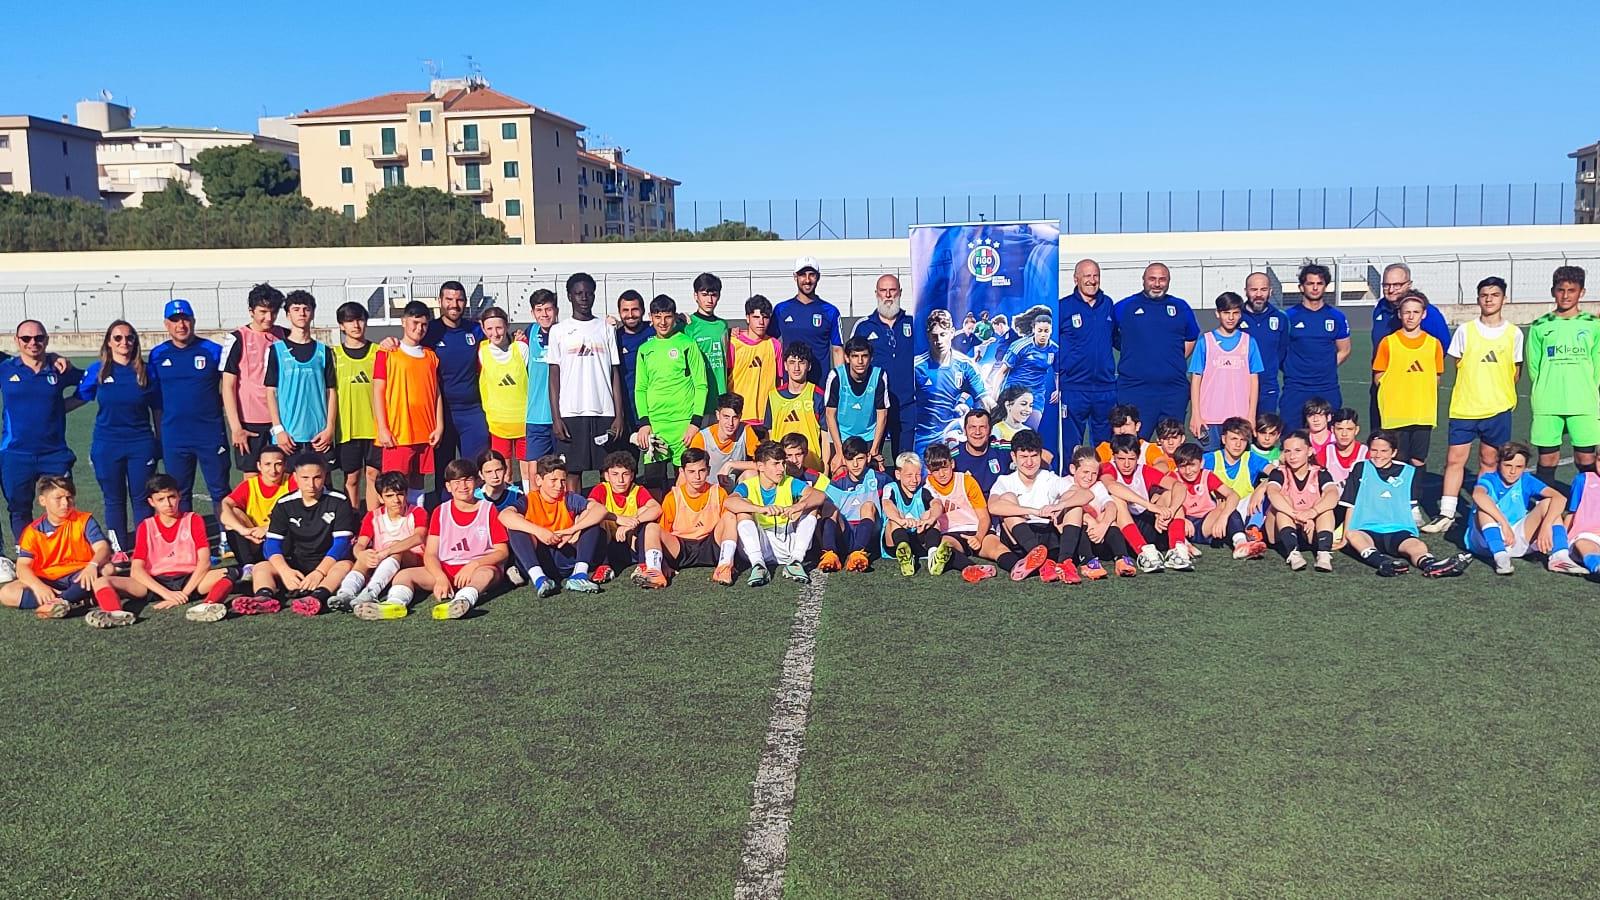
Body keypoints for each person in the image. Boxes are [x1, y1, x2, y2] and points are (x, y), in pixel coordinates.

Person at [1425, 276, 1524, 534]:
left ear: (1504, 298)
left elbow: (1516, 371)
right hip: (1465, 407)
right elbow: (1452, 363)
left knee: (1489, 461)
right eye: (1484, 295)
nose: (1489, 299)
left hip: (1498, 409)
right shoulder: (1465, 331)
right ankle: (1446, 512)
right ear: (1478, 298)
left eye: (1494, 295)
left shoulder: (1514, 333)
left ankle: (1483, 511)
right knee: (1454, 459)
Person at [366, 457, 508, 621]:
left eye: (467, 480)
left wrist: (474, 564)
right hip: (447, 568)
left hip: (478, 567)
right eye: (456, 481)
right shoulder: (440, 512)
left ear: (476, 481)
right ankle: (395, 604)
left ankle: (463, 600)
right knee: (404, 576)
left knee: (486, 573)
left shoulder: (488, 509)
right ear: (448, 486)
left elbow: (502, 552)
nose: (462, 486)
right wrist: (440, 577)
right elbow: (431, 553)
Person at [0, 475, 129, 628]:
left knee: (107, 569)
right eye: (58, 498)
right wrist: (38, 586)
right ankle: (78, 599)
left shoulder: (84, 520)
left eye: (69, 497)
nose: (65, 503)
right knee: (7, 593)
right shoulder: (33, 531)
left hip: (81, 574)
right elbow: (22, 566)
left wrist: (92, 565)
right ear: (43, 501)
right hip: (48, 578)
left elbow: (102, 547)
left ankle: (61, 602)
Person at [0, 321, 84, 551]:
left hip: (54, 453)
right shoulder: (6, 368)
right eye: (26, 339)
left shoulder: (59, 369)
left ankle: (65, 551)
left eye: (38, 338)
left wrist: (65, 405)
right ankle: (26, 553)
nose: (32, 343)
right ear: (17, 341)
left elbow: (89, 382)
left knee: (62, 503)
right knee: (19, 507)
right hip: (16, 453)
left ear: (46, 339)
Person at [78, 320, 158, 558]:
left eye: (129, 337)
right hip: (107, 445)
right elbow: (80, 396)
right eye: (118, 338)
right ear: (109, 342)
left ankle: (145, 549)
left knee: (142, 498)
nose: (124, 342)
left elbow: (158, 409)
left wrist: (159, 441)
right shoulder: (98, 370)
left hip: (140, 443)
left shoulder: (147, 370)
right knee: (113, 498)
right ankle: (119, 548)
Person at [1339, 431, 1471, 577]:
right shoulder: (1360, 468)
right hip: (1366, 530)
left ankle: (1431, 565)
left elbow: (1412, 507)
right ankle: (1384, 563)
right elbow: (1350, 504)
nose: (1378, 455)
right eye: (1374, 450)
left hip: (1398, 530)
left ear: (1394, 452)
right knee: (1355, 537)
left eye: (1384, 451)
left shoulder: (1409, 472)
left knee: (1417, 546)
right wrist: (1346, 537)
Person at [108, 474, 236, 622]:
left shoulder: (193, 520)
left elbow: (204, 562)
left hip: (191, 580)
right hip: (155, 583)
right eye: (161, 499)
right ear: (151, 502)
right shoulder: (146, 526)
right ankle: (113, 614)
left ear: (179, 496)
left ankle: (208, 606)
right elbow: (136, 570)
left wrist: (183, 594)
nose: (168, 504)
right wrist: (166, 593)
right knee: (103, 582)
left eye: (171, 497)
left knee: (229, 572)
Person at [243, 454, 356, 616]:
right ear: (295, 477)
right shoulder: (284, 503)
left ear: (325, 476)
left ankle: (318, 597)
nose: (311, 484)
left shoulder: (339, 500)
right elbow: (272, 544)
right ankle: (264, 598)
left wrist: (319, 573)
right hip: (296, 564)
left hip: (328, 563)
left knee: (345, 566)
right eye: (305, 478)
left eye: (317, 477)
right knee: (261, 567)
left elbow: (341, 544)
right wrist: (285, 571)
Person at [148, 300, 230, 524]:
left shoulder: (212, 351)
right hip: (174, 436)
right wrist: (160, 435)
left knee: (220, 488)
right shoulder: (157, 355)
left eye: (185, 319)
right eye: (175, 320)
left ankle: (226, 538)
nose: (180, 325)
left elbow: (231, 387)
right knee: (178, 492)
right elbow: (155, 401)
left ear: (193, 321)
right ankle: (185, 539)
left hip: (210, 434)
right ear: (166, 324)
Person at [549, 272, 625, 492]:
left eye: (588, 293)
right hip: (571, 413)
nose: (584, 298)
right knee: (572, 471)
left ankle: (608, 522)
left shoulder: (606, 329)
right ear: (569, 296)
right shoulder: (558, 331)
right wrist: (556, 418)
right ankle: (577, 521)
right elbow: (554, 377)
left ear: (594, 295)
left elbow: (614, 374)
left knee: (608, 470)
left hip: (604, 412)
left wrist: (618, 415)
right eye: (578, 293)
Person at [1526, 265, 1600, 489]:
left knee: (1585, 459)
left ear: (1582, 292)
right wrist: (1546, 388)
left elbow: (1597, 366)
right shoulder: (1540, 326)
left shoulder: (1593, 325)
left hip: (1583, 402)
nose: (1566, 296)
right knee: (1547, 459)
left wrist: (1587, 389)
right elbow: (1534, 367)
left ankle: (1586, 509)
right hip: (1548, 402)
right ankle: (1545, 509)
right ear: (1553, 291)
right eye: (1561, 290)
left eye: (1572, 290)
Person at [1112, 263, 1200, 438]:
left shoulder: (1180, 307)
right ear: (1143, 280)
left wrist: (1173, 359)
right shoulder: (1124, 307)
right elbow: (1112, 335)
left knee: (1172, 446)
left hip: (1172, 392)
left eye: (1162, 279)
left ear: (1168, 282)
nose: (1157, 284)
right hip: (1135, 390)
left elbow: (1191, 337)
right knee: (1131, 447)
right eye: (1152, 279)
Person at [501, 454, 608, 597]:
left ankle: (579, 575)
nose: (559, 486)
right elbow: (504, 515)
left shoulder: (568, 498)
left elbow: (600, 510)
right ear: (539, 480)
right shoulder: (529, 500)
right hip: (540, 558)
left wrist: (573, 530)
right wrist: (540, 532)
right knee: (517, 528)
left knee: (592, 523)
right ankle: (539, 579)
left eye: (563, 481)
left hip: (566, 556)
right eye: (553, 480)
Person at [724, 440, 825, 586]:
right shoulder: (748, 485)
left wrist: (799, 506)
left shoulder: (789, 482)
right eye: (776, 464)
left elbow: (819, 495)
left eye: (783, 463)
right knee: (742, 511)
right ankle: (758, 565)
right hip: (760, 543)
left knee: (811, 507)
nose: (781, 469)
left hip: (786, 541)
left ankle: (795, 561)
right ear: (760, 466)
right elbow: (729, 502)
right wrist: (760, 509)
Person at [373, 301, 444, 507]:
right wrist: (383, 428)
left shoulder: (431, 356)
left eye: (424, 324)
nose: (419, 328)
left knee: (418, 479)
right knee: (395, 482)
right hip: (398, 431)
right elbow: (378, 390)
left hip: (425, 431)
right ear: (404, 321)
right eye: (415, 322)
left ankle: (417, 520)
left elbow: (436, 393)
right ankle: (395, 525)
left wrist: (439, 425)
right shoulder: (387, 352)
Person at [1467, 442, 1575, 576]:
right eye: (1508, 466)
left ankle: (1560, 556)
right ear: (1499, 464)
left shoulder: (1526, 479)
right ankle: (1500, 557)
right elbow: (1478, 495)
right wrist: (1504, 524)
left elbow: (1560, 498)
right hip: (1484, 543)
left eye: (1519, 467)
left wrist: (1546, 525)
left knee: (1549, 503)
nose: (1513, 471)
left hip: (1515, 540)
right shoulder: (1490, 479)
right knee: (1484, 509)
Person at [638, 447, 738, 587]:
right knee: (652, 528)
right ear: (682, 472)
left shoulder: (718, 492)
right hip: (680, 548)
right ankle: (655, 572)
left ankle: (724, 567)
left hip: (711, 545)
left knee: (730, 517)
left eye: (701, 471)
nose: (697, 477)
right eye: (691, 472)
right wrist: (664, 563)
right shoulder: (673, 497)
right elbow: (663, 531)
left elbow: (727, 528)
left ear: (708, 470)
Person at [987, 429, 1077, 582]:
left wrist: (1061, 505)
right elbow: (993, 507)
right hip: (1019, 537)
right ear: (1013, 457)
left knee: (1075, 505)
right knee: (1007, 499)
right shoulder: (1005, 480)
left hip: (1048, 534)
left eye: (1034, 456)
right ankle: (1038, 558)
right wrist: (1033, 511)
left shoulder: (1049, 477)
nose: (1029, 462)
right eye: (1023, 457)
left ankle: (1064, 563)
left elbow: (1086, 494)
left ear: (1040, 455)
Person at [330, 470, 426, 613]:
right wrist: (360, 554)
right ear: (381, 498)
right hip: (382, 561)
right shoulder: (373, 516)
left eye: (400, 494)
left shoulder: (417, 512)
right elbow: (360, 544)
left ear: (406, 494)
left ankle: (370, 592)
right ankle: (346, 593)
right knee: (365, 554)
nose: (396, 500)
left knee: (395, 549)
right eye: (389, 496)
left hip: (412, 561)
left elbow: (418, 537)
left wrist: (386, 551)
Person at [422, 281, 490, 478]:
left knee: (476, 470)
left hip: (472, 412)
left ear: (465, 302)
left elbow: (499, 340)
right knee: (445, 472)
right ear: (440, 301)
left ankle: (478, 508)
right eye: (449, 299)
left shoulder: (476, 330)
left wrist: (517, 337)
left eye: (459, 300)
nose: (454, 304)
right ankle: (443, 508)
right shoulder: (429, 331)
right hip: (441, 414)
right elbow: (408, 345)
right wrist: (390, 342)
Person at [1370, 262, 1451, 429]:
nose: (1391, 290)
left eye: (1397, 285)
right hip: (1385, 386)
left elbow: (1441, 346)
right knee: (1380, 439)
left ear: (1409, 284)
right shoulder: (1380, 308)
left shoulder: (1429, 314)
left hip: (1413, 392)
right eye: (1386, 285)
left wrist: (1415, 371)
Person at [1372, 290, 1444, 473]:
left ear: (1424, 314)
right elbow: (1379, 377)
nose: (1411, 317)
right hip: (1395, 413)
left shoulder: (1433, 344)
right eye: (1406, 312)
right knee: (1398, 457)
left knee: (1418, 458)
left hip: (1422, 413)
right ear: (1399, 314)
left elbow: (1436, 377)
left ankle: (1415, 497)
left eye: (1416, 312)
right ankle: (1396, 497)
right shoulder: (1388, 343)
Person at [634, 294, 709, 469]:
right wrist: (644, 423)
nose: (663, 322)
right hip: (655, 425)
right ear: (651, 318)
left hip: (683, 425)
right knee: (654, 481)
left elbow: (701, 385)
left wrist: (695, 422)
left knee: (685, 480)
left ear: (674, 317)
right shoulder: (645, 349)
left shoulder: (687, 344)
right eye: (658, 317)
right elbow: (640, 389)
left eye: (667, 316)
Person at [264, 290, 337, 463]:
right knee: (287, 485)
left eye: (306, 309)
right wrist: (278, 429)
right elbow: (271, 393)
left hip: (319, 437)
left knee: (322, 485)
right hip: (288, 437)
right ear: (288, 315)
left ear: (312, 313)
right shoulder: (277, 350)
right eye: (296, 309)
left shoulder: (323, 351)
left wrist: (330, 429)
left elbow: (331, 392)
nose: (302, 313)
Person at [221, 283, 286, 472]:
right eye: (263, 311)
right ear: (251, 311)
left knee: (283, 474)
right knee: (252, 476)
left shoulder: (283, 335)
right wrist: (236, 427)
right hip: (250, 422)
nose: (269, 317)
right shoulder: (236, 338)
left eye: (273, 312)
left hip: (281, 419)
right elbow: (227, 386)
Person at [850, 274, 917, 455]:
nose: (888, 295)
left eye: (892, 290)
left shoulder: (913, 323)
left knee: (904, 457)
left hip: (906, 404)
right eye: (883, 291)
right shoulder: (863, 326)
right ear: (876, 294)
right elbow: (852, 364)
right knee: (870, 455)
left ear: (900, 292)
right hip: (874, 405)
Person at [1280, 264, 1352, 432]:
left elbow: (1345, 349)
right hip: (1296, 387)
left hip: (1327, 387)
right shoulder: (1288, 317)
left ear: (1325, 287)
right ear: (1301, 287)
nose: (1314, 287)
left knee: (1329, 437)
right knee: (1292, 437)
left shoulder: (1336, 317)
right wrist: (1294, 369)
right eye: (1310, 283)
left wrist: (1325, 366)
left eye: (1319, 283)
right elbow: (1280, 351)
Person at [1187, 292, 1262, 451]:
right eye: (1226, 313)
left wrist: (1251, 415)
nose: (1230, 317)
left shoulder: (1249, 342)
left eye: (1235, 313)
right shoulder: (1205, 341)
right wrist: (1196, 414)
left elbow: (1254, 381)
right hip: (1209, 418)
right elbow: (1196, 380)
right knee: (1209, 465)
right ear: (1217, 313)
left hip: (1239, 418)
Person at [1153, 442, 1245, 571]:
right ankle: (1182, 543)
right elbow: (1158, 500)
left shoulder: (1207, 476)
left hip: (1205, 522)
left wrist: (1223, 517)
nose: (1188, 471)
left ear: (1201, 463)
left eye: (1192, 465)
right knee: (1167, 500)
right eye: (1183, 466)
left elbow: (1233, 495)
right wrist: (1182, 519)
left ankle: (1241, 543)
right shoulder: (1173, 477)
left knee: (1229, 509)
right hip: (1182, 522)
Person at [1058, 258, 1119, 449]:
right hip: (1074, 387)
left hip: (1105, 388)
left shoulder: (1108, 304)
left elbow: (1119, 339)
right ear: (1076, 279)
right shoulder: (1063, 307)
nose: (1092, 280)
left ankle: (1104, 478)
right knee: (1071, 445)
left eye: (1096, 276)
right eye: (1087, 276)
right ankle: (1071, 478)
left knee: (1105, 447)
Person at [922, 443, 1004, 582]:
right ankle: (973, 568)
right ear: (929, 470)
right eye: (936, 470)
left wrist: (978, 537)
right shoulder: (928, 486)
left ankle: (1018, 565)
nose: (941, 474)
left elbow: (983, 516)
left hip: (976, 529)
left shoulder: (966, 481)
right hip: (951, 533)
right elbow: (935, 505)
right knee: (945, 548)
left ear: (952, 463)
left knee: (998, 548)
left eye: (944, 468)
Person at [1263, 430, 1338, 572]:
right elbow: (1272, 493)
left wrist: (1312, 513)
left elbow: (1333, 495)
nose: (1292, 456)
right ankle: (1293, 554)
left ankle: (1324, 554)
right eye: (1287, 451)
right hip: (1280, 533)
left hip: (1309, 530)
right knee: (1282, 501)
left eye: (1298, 450)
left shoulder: (1320, 473)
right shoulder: (1279, 472)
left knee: (1325, 506)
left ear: (1309, 451)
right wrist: (1297, 515)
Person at [913, 308, 986, 454]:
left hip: (954, 439)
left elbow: (984, 400)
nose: (938, 340)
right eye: (934, 336)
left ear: (952, 333)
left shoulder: (966, 365)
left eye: (943, 334)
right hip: (924, 441)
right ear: (928, 336)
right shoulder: (916, 367)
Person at [331, 301, 380, 512]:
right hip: (348, 429)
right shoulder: (334, 355)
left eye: (360, 320)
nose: (356, 325)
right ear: (342, 325)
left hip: (375, 427)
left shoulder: (379, 352)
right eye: (350, 321)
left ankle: (372, 521)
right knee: (351, 479)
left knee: (373, 476)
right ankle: (352, 522)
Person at [218, 445, 295, 575]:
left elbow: (298, 513)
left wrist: (265, 528)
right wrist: (245, 531)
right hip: (255, 540)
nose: (273, 470)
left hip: (279, 538)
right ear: (259, 466)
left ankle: (285, 563)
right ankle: (248, 566)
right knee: (233, 515)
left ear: (285, 465)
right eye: (268, 464)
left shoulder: (292, 481)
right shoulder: (250, 485)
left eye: (278, 464)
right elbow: (225, 509)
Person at [1202, 417, 1271, 559]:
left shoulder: (1251, 458)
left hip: (1246, 508)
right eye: (1233, 439)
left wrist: (1262, 487)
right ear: (1223, 439)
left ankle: (1253, 530)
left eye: (1243, 440)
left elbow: (1279, 474)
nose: (1238, 444)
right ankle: (1244, 540)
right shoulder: (1209, 459)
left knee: (1272, 491)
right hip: (1217, 509)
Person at [1099, 433, 1170, 569]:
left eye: (1131, 459)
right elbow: (1112, 486)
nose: (1126, 464)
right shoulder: (1108, 468)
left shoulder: (1143, 470)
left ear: (1138, 457)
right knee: (1117, 499)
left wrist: (1167, 511)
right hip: (1119, 530)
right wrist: (1149, 505)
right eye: (1121, 459)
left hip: (1147, 525)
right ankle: (1142, 551)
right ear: (1113, 457)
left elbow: (1178, 487)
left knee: (1168, 494)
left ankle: (1178, 547)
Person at [589, 451, 662, 583]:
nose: (620, 480)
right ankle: (603, 565)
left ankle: (643, 564)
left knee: (645, 512)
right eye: (615, 474)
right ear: (606, 476)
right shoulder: (601, 489)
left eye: (625, 474)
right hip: (608, 544)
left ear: (632, 475)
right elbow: (589, 509)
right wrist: (618, 519)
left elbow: (656, 508)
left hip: (631, 544)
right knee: (596, 516)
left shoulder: (637, 490)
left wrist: (633, 522)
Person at [824, 336, 891, 471]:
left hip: (868, 437)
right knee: (840, 472)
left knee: (875, 473)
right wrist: (839, 452)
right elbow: (830, 415)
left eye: (864, 356)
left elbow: (882, 415)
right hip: (842, 437)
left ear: (871, 358)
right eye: (855, 356)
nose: (860, 361)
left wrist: (874, 450)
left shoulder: (879, 376)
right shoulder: (836, 376)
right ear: (847, 358)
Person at [477, 306, 529, 469]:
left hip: (524, 422)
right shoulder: (481, 351)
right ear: (483, 328)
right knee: (503, 471)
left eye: (499, 327)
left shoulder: (521, 348)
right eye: (490, 328)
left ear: (507, 326)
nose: (495, 333)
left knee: (528, 472)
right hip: (497, 424)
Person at [879, 452, 947, 576]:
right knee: (893, 520)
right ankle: (904, 554)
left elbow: (936, 504)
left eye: (918, 475)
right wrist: (901, 521)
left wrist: (930, 519)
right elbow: (887, 505)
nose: (914, 480)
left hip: (919, 539)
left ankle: (933, 555)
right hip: (894, 541)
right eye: (909, 475)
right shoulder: (890, 488)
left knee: (930, 516)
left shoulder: (925, 488)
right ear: (898, 475)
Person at [823, 437, 884, 573]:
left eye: (860, 459)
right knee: (828, 507)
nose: (855, 464)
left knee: (868, 505)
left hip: (869, 536)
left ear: (868, 457)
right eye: (850, 460)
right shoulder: (837, 482)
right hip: (846, 533)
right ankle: (829, 553)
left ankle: (857, 553)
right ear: (844, 460)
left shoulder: (880, 479)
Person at [990, 310, 1057, 434]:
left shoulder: (1054, 350)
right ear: (1034, 330)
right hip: (1014, 391)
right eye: (1040, 331)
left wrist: (1058, 389)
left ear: (1051, 331)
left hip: (1036, 395)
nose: (1043, 334)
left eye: (1046, 331)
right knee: (1009, 432)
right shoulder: (1020, 346)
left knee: (1030, 433)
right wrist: (994, 395)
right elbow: (1001, 372)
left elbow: (1058, 372)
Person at [772, 256, 844, 370]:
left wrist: (841, 382)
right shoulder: (781, 309)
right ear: (795, 277)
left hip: (820, 384)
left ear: (818, 277)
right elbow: (766, 341)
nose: (807, 280)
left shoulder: (830, 311)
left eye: (812, 275)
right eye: (802, 275)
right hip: (791, 384)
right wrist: (740, 333)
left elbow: (837, 350)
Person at [766, 343, 827, 471]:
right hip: (782, 471)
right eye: (792, 362)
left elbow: (825, 438)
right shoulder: (773, 396)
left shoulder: (817, 395)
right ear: (785, 366)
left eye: (801, 362)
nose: (797, 367)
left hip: (812, 468)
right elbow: (771, 436)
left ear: (809, 366)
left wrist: (825, 471)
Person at [522, 289, 560, 486]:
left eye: (548, 309)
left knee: (561, 467)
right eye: (539, 310)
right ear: (532, 313)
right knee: (534, 468)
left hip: (561, 416)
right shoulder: (529, 332)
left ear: (556, 310)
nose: (544, 314)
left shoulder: (564, 333)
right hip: (536, 415)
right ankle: (534, 508)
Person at [1238, 272, 1289, 416]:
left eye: (1263, 290)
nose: (1259, 294)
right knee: (1239, 434)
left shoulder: (1280, 318)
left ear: (1270, 291)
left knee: (1265, 433)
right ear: (1246, 291)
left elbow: (1282, 351)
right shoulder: (1236, 316)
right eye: (1254, 290)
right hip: (1240, 387)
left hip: (1268, 387)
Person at [688, 393, 762, 491]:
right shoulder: (702, 438)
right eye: (726, 417)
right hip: (709, 491)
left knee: (752, 474)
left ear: (740, 417)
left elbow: (764, 463)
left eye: (735, 418)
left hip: (736, 492)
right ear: (718, 415)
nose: (730, 423)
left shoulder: (746, 431)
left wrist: (731, 464)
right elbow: (690, 470)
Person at [730, 295, 783, 428]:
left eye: (765, 317)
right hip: (739, 417)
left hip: (766, 418)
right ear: (747, 318)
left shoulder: (774, 344)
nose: (761, 322)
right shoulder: (733, 343)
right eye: (756, 317)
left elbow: (780, 380)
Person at [685, 273, 730, 415]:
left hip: (720, 398)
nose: (709, 300)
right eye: (704, 294)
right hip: (698, 400)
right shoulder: (688, 325)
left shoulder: (722, 325)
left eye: (714, 295)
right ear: (695, 296)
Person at [614, 290, 653, 437]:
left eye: (635, 309)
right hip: (626, 412)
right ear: (619, 312)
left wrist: (681, 319)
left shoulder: (654, 332)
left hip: (653, 411)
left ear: (643, 310)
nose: (630, 315)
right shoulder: (614, 337)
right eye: (625, 310)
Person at [954, 408, 1010, 492]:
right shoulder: (952, 456)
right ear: (965, 431)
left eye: (982, 427)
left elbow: (1031, 450)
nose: (977, 432)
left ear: (990, 430)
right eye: (972, 427)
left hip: (1000, 502)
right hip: (968, 503)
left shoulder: (1002, 448)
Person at [1315, 407, 1368, 494]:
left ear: (1356, 430)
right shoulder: (1325, 452)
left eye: (1349, 429)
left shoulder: (1366, 453)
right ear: (1332, 430)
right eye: (1339, 429)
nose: (1344, 434)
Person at [1093, 405, 1165, 467]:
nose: (1122, 431)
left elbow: (1162, 465)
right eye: (1117, 426)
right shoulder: (1106, 448)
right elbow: (1092, 465)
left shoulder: (1148, 449)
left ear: (1137, 426)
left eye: (1127, 425)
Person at [990, 387, 1043, 455]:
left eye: (1030, 406)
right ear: (1008, 405)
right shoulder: (997, 429)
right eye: (1023, 404)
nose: (1028, 410)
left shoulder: (1029, 431)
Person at [473, 449, 526, 514]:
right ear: (481, 474)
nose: (495, 476)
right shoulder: (474, 496)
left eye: (498, 470)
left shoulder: (517, 495)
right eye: (489, 472)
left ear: (505, 470)